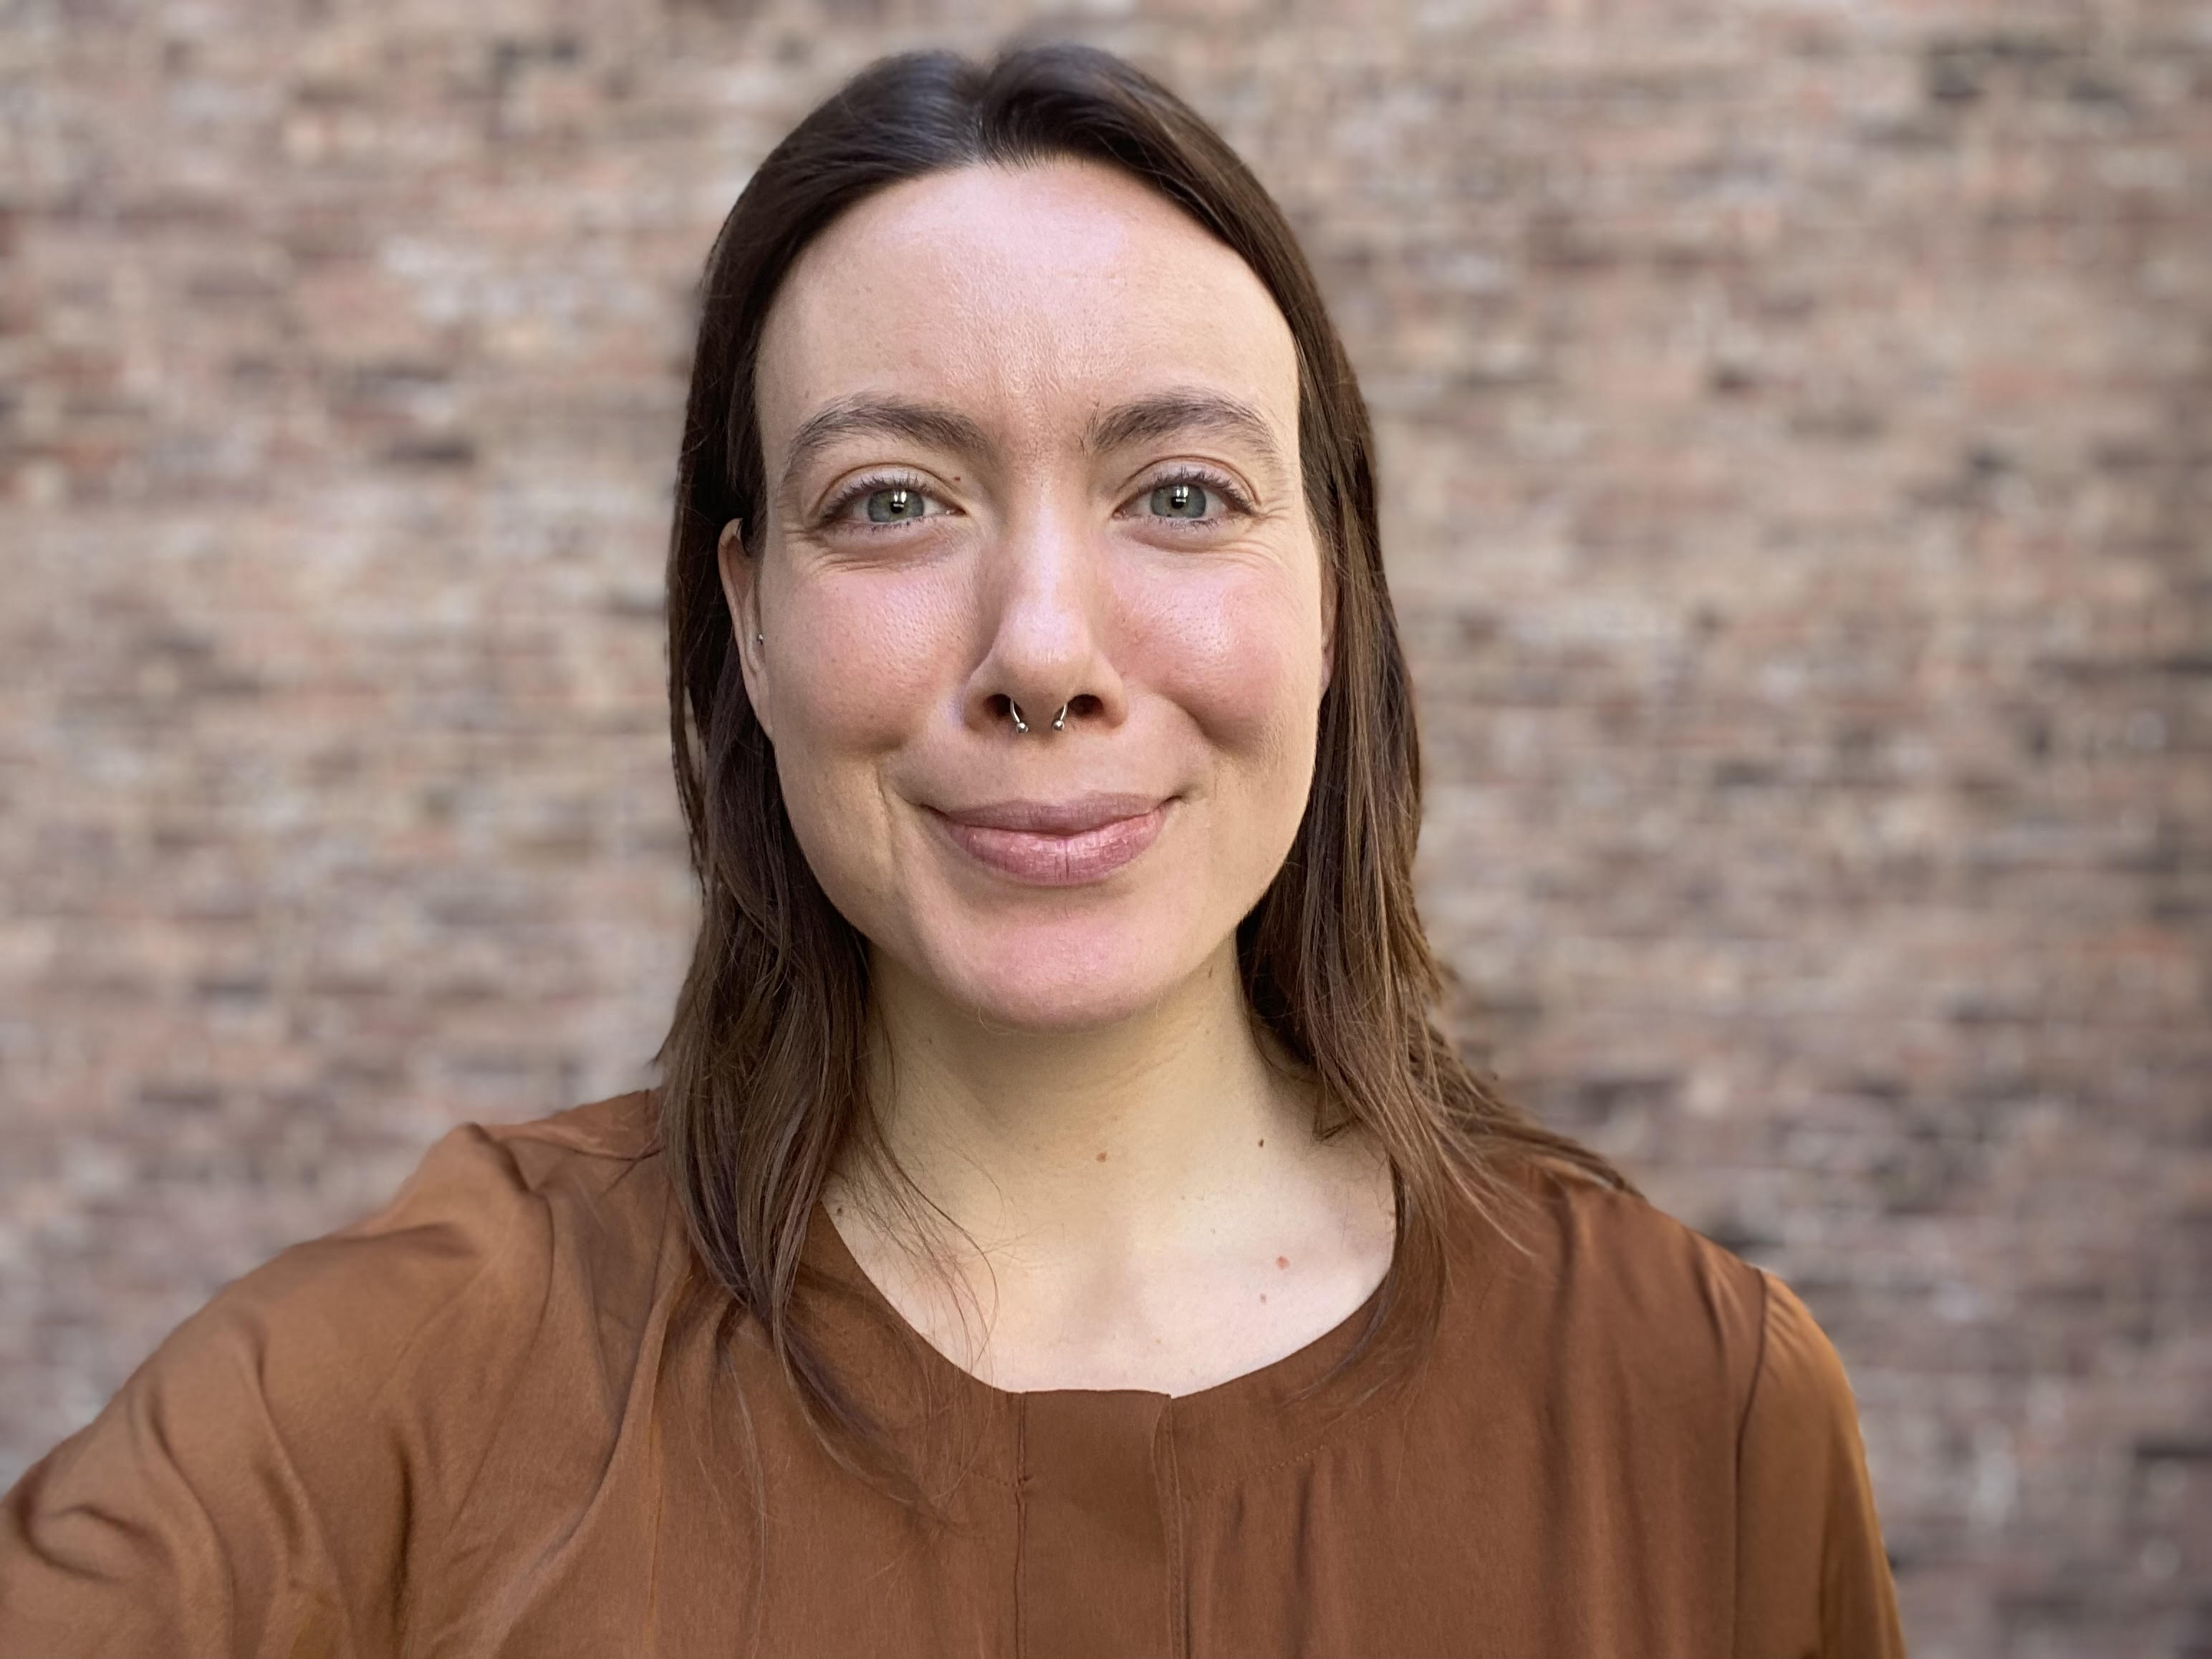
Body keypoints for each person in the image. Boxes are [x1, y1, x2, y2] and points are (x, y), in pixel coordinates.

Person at [0, 41, 1905, 1659]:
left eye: (1182, 491)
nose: (1046, 654)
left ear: (1334, 589)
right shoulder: (433, 1370)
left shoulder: (1698, 1409)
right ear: (747, 620)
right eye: (893, 500)